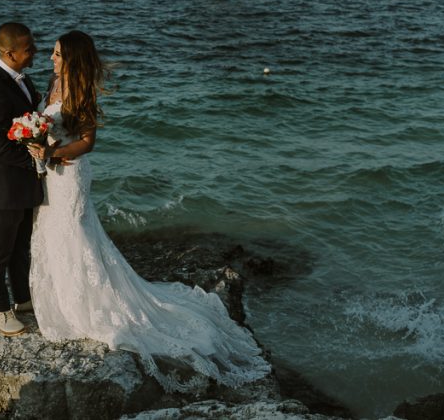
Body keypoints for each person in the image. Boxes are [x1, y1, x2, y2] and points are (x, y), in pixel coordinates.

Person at [25, 30, 271, 392]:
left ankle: (88, 306)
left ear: (73, 58)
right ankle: (62, 301)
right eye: (52, 53)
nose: (51, 58)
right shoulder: (54, 82)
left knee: (75, 233)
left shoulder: (82, 91)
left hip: (71, 174)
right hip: (51, 174)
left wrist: (52, 153)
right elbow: (49, 125)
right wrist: (35, 138)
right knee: (53, 232)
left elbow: (88, 142)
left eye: (58, 54)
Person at [0, 22, 42, 336]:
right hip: (4, 185)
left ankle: (24, 300)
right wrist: (40, 159)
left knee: (20, 246)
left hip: (23, 183)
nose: (34, 52)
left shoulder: (20, 80)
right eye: (29, 49)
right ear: (10, 53)